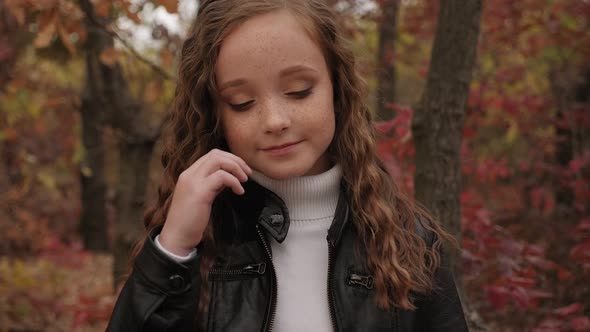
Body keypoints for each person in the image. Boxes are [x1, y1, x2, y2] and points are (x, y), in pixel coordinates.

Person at [107, 0, 468, 331]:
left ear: (337, 90)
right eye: (242, 102)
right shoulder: (198, 240)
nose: (274, 120)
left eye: (299, 91)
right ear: (215, 114)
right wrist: (173, 249)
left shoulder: (409, 241)